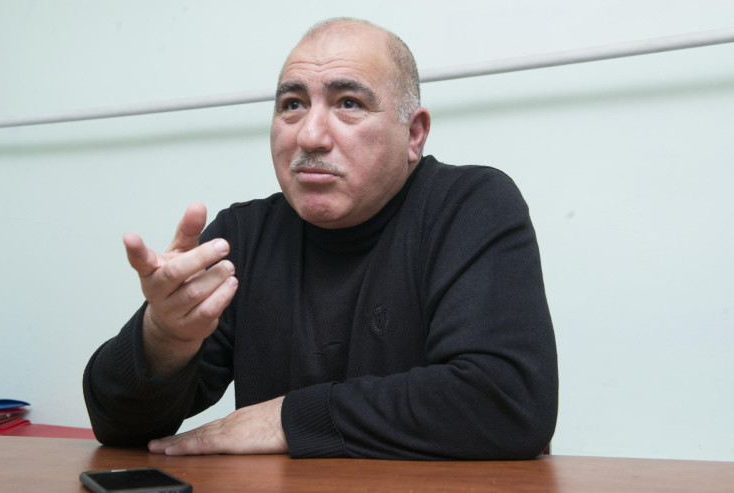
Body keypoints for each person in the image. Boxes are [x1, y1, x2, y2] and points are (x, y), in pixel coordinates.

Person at [83, 17, 558, 460]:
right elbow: (117, 425)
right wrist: (164, 337)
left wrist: (287, 419)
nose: (310, 136)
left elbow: (507, 401)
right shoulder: (243, 237)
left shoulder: (469, 206)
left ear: (414, 134)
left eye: (348, 103)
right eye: (292, 105)